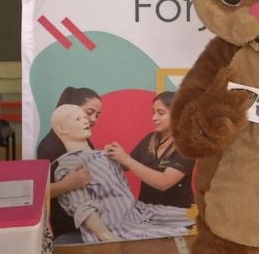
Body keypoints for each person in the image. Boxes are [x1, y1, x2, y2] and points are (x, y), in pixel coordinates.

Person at [51, 105, 194, 243]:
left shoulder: (103, 155)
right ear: (62, 129)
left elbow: (131, 176)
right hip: (119, 227)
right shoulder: (70, 165)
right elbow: (84, 208)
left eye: (84, 117)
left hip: (140, 211)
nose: (86, 121)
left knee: (199, 217)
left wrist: (120, 158)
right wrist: (108, 237)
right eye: (78, 119)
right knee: (184, 235)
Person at [105, 91, 194, 208]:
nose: (154, 118)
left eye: (161, 113)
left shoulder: (188, 145)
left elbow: (164, 182)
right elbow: (124, 165)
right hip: (147, 209)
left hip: (177, 212)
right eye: (153, 112)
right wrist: (110, 155)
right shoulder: (149, 139)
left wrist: (126, 159)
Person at [36, 86, 103, 243]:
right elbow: (38, 192)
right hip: (70, 227)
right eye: (89, 112)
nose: (93, 119)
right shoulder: (50, 147)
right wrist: (67, 185)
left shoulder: (83, 141)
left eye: (97, 115)